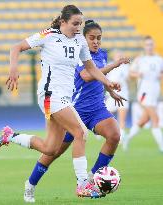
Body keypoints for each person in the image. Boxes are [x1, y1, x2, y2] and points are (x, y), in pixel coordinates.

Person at [0, 5, 121, 199]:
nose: (78, 28)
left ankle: (9, 136)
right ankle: (82, 184)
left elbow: (92, 69)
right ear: (63, 22)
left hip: (64, 98)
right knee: (80, 132)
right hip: (49, 95)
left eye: (80, 24)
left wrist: (108, 83)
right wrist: (13, 68)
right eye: (75, 24)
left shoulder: (79, 41)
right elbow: (16, 47)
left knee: (50, 148)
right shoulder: (49, 35)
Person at [22, 20, 130, 203]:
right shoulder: (78, 53)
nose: (96, 42)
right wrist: (115, 65)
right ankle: (30, 185)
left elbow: (98, 78)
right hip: (74, 110)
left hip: (96, 109)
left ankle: (90, 179)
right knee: (52, 152)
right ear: (83, 38)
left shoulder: (102, 54)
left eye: (99, 38)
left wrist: (110, 89)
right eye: (92, 38)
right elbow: (87, 75)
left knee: (114, 135)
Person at [122, 36, 163, 151]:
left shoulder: (159, 59)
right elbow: (130, 74)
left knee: (143, 121)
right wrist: (138, 74)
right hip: (144, 94)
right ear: (144, 46)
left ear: (153, 45)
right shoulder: (140, 59)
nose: (149, 47)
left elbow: (161, 74)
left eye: (151, 44)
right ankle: (162, 147)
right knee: (156, 119)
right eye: (147, 45)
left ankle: (127, 139)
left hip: (154, 94)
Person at [106, 49, 130, 142]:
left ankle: (122, 139)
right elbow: (106, 80)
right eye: (117, 55)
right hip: (112, 94)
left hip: (123, 94)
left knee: (122, 119)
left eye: (120, 55)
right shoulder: (110, 66)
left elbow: (128, 79)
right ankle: (105, 133)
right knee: (107, 116)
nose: (119, 57)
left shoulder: (125, 67)